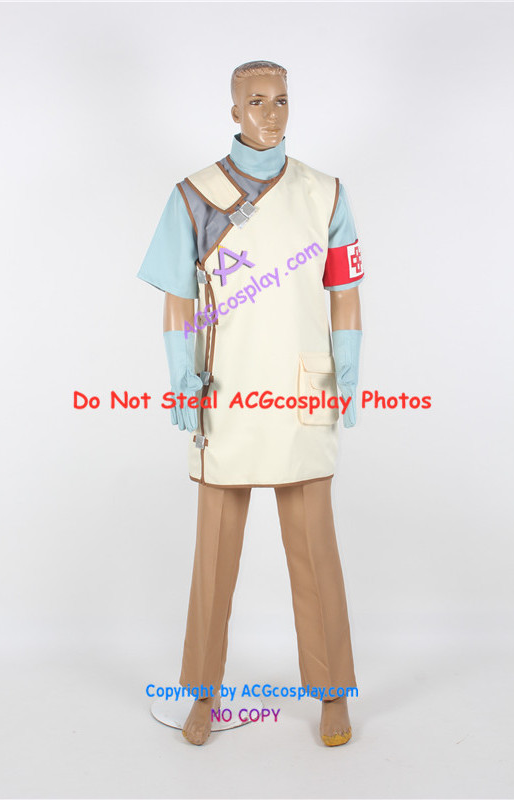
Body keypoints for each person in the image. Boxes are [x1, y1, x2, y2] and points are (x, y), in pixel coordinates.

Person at [138, 60, 364, 746]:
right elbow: (178, 299)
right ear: (234, 111)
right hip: (226, 390)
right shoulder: (194, 196)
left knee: (315, 551)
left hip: (302, 388)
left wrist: (348, 369)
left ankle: (333, 690)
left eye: (281, 100)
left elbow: (344, 292)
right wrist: (181, 377)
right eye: (256, 101)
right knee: (214, 557)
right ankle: (202, 691)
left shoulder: (325, 194)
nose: (271, 113)